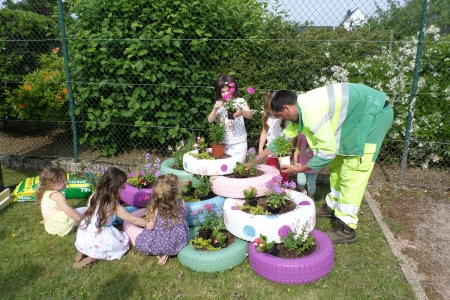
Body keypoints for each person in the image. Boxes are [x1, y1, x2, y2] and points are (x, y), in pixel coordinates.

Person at [259, 83, 393, 244]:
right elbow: (284, 138)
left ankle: (346, 228)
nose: (282, 120)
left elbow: (326, 153)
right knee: (337, 164)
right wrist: (257, 158)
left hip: (374, 114)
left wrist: (300, 168)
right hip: (356, 115)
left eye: (281, 116)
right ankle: (334, 206)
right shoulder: (300, 107)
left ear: (287, 109)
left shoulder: (312, 114)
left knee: (354, 169)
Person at [73, 167, 149, 268]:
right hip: (100, 234)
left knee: (92, 241)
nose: (123, 189)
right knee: (123, 243)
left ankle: (84, 250)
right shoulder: (113, 205)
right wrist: (148, 224)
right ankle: (93, 257)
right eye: (122, 187)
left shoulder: (94, 195)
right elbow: (133, 219)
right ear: (115, 187)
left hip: (87, 231)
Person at [134, 174, 189, 265]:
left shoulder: (156, 208)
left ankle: (163, 251)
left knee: (141, 241)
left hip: (163, 242)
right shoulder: (181, 202)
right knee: (169, 235)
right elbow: (185, 214)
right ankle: (167, 252)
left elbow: (150, 227)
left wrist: (146, 222)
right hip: (180, 240)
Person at [208, 74, 253, 154]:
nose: (226, 94)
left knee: (239, 164)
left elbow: (250, 115)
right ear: (219, 93)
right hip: (224, 142)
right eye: (223, 92)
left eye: (228, 90)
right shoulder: (219, 104)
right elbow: (210, 120)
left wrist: (242, 112)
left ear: (233, 89)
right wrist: (215, 110)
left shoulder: (240, 101)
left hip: (239, 141)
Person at [35, 167, 87, 237]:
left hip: (52, 227)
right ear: (51, 184)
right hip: (63, 226)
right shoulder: (57, 195)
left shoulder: (45, 193)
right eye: (62, 181)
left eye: (65, 180)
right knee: (86, 210)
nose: (66, 182)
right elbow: (68, 211)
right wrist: (81, 221)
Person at [293, 133, 319, 200]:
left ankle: (310, 198)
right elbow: (297, 149)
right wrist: (296, 161)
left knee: (311, 183)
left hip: (314, 165)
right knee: (301, 182)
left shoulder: (319, 135)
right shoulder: (302, 134)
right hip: (301, 165)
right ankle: (303, 191)